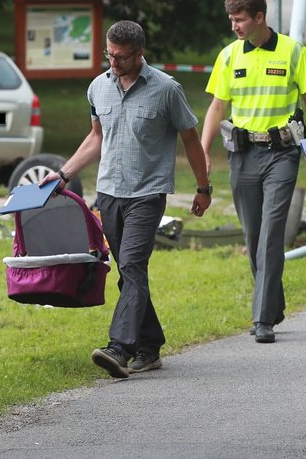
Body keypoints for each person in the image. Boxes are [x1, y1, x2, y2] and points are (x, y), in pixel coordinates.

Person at [41, 20, 213, 378]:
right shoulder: (97, 88)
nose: (113, 63)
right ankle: (150, 346)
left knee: (133, 265)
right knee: (128, 271)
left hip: (147, 194)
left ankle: (119, 348)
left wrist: (203, 187)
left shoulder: (167, 89)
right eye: (109, 55)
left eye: (121, 57)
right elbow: (95, 137)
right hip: (109, 194)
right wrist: (63, 174)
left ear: (139, 54)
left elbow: (191, 140)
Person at [200, 0, 306, 343]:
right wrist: (202, 152)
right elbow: (217, 107)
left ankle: (262, 320)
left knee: (272, 234)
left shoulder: (293, 52)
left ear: (260, 17)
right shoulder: (229, 56)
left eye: (240, 20)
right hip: (242, 155)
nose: (234, 26)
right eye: (231, 20)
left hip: (282, 154)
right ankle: (273, 303)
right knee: (253, 235)